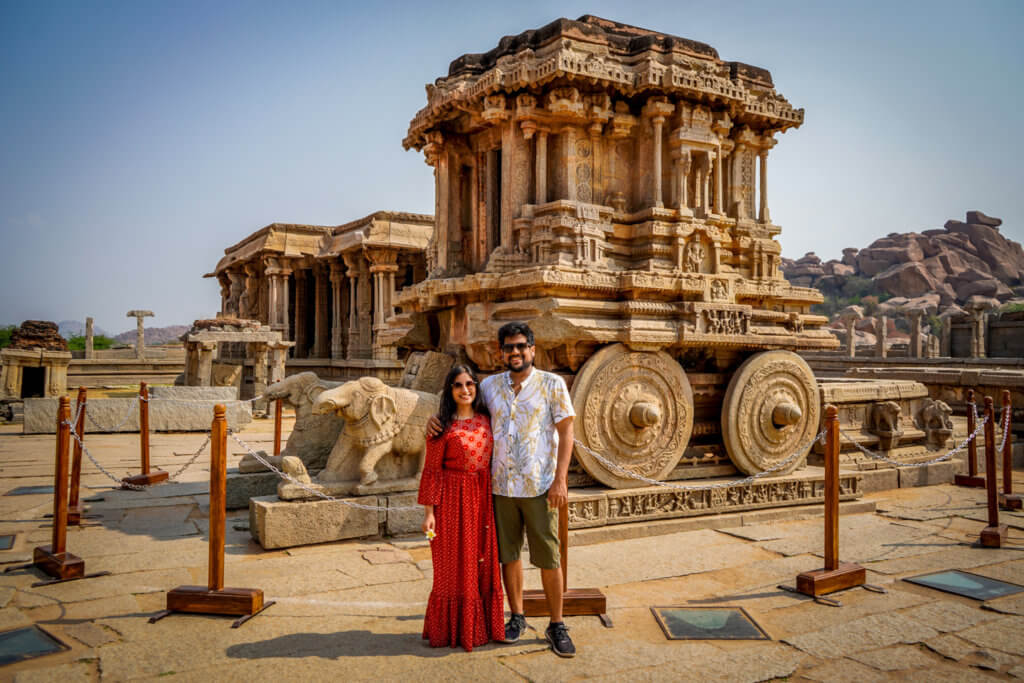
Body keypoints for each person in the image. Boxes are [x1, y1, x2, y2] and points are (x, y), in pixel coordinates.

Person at [427, 321, 577, 658]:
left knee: (549, 557)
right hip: (500, 488)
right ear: (501, 352)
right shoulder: (491, 387)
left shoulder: (552, 384)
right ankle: (517, 616)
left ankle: (557, 624)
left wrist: (561, 480)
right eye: (509, 347)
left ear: (532, 350)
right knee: (507, 556)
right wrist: (433, 420)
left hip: (539, 486)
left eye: (521, 346)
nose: (515, 352)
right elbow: (461, 407)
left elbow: (567, 433)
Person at [418, 364, 504, 652]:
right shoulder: (440, 426)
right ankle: (451, 631)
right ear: (449, 390)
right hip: (452, 503)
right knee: (452, 567)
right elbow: (431, 471)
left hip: (483, 500)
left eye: (470, 384)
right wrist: (429, 514)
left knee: (482, 562)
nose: (465, 389)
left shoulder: (487, 420)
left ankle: (482, 628)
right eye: (458, 385)